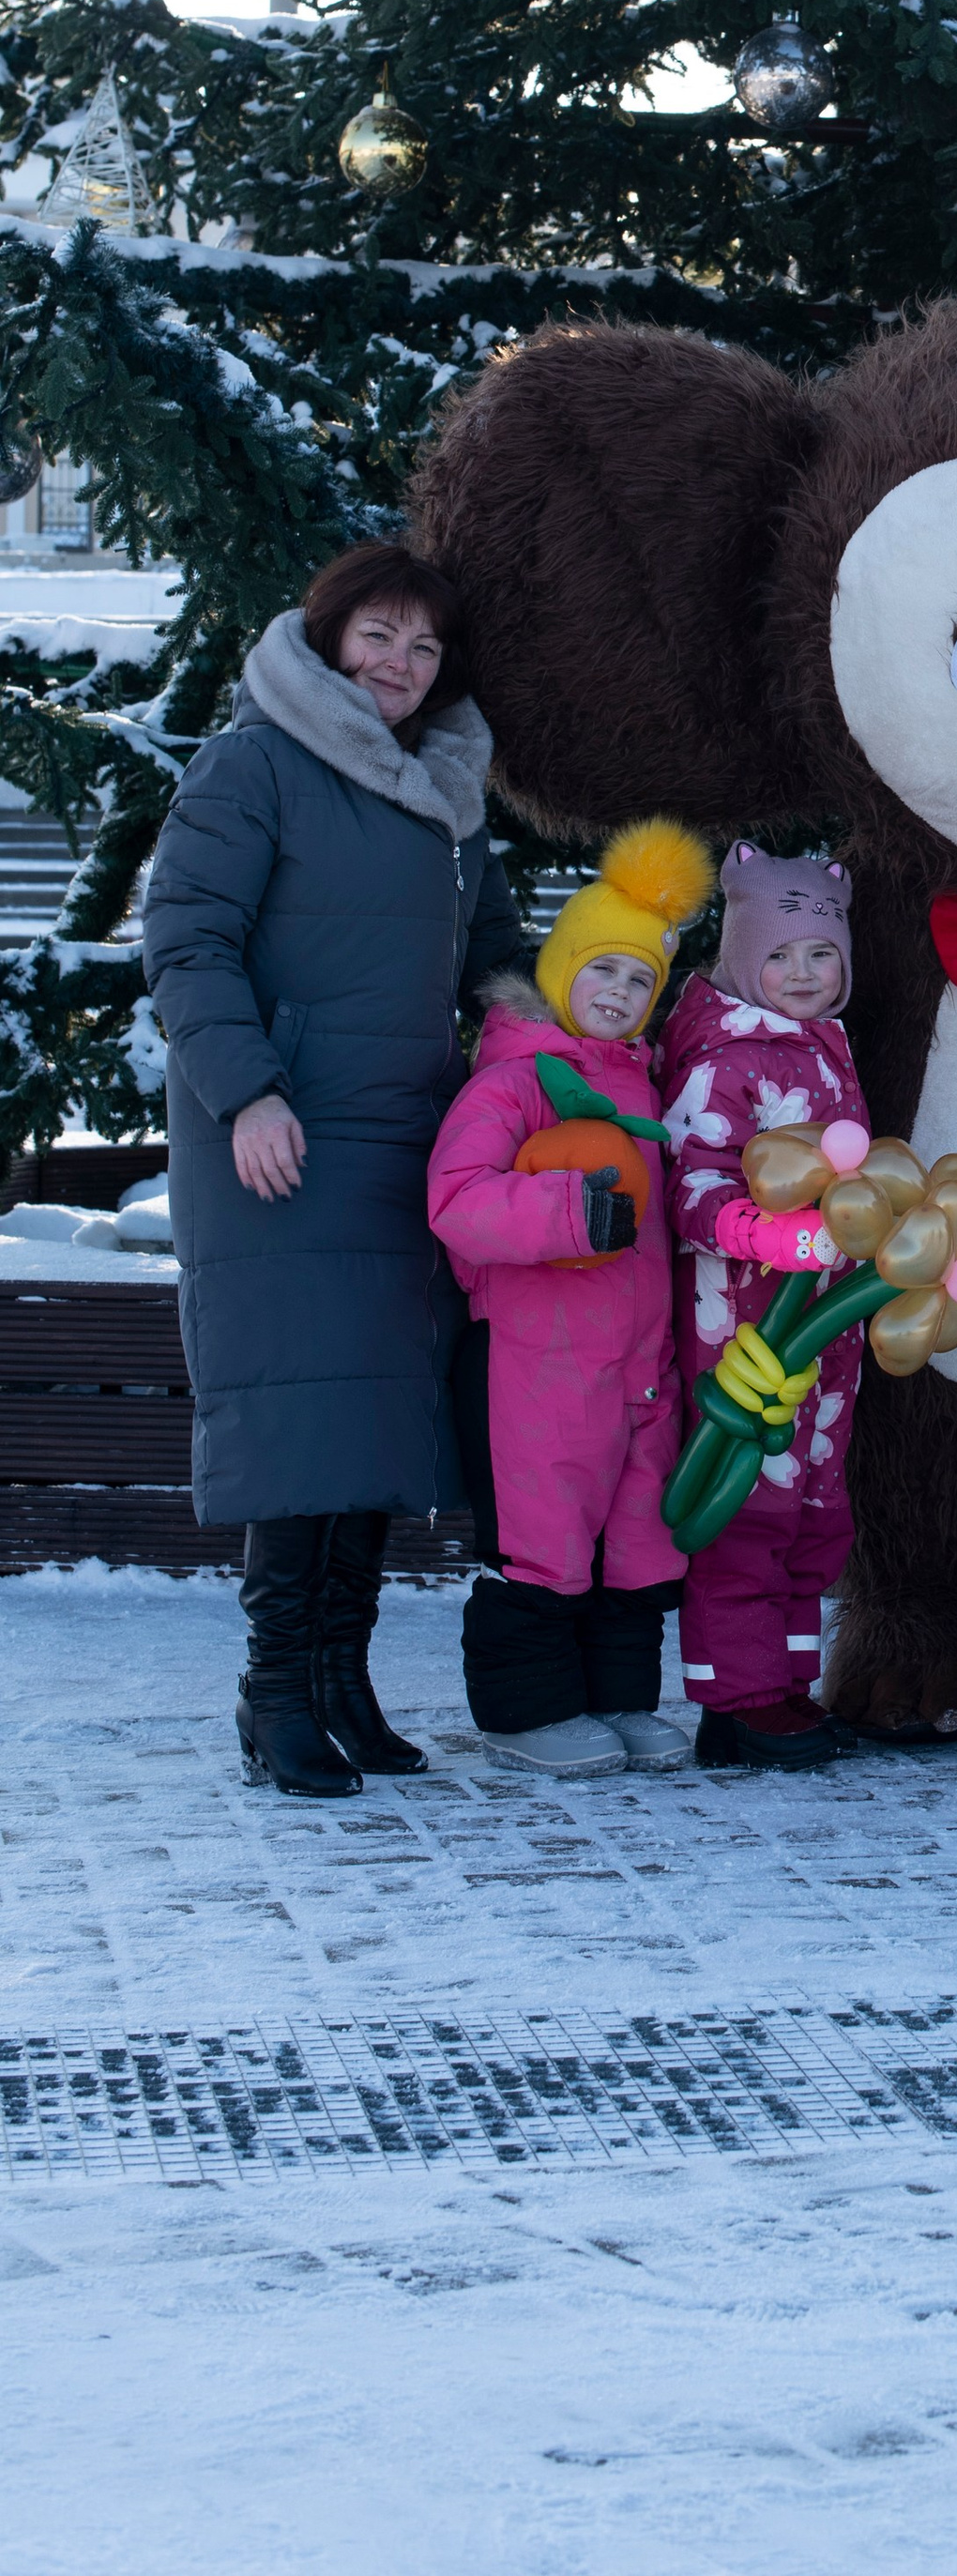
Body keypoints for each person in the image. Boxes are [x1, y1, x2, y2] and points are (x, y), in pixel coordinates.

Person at [143, 541, 530, 1798]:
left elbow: (495, 950)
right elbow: (186, 934)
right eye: (378, 636)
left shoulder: (449, 789)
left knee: (369, 1414)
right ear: (327, 637)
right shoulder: (254, 760)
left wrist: (551, 1041)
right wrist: (246, 1089)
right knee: (301, 1412)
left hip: (404, 1140)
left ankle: (342, 1683)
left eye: (423, 646)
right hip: (280, 1137)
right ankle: (275, 1697)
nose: (400, 666)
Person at [427, 819, 714, 1775]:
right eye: (603, 971)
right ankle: (526, 1711)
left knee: (636, 1539)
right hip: (533, 1364)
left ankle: (618, 1699)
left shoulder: (644, 1084)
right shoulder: (515, 1079)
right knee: (544, 1537)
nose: (620, 993)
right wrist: (565, 1213)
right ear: (560, 972)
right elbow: (458, 1199)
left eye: (640, 981)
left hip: (638, 1365)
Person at [658, 846, 869, 1772]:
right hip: (744, 1327)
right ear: (745, 958)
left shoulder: (829, 1049)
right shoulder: (721, 1061)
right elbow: (690, 1188)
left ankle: (787, 1685)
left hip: (827, 1327)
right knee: (750, 1505)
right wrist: (766, 1234)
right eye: (780, 956)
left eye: (820, 956)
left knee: (815, 1511)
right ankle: (734, 1698)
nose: (800, 975)